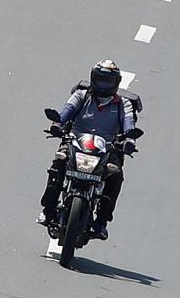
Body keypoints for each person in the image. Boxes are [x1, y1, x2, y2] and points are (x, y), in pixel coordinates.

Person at [37, 59, 135, 241]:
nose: (104, 85)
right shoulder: (81, 95)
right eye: (100, 79)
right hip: (74, 142)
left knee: (115, 175)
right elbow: (67, 110)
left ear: (116, 83)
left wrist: (129, 140)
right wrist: (57, 124)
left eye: (108, 81)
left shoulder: (123, 104)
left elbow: (129, 123)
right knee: (58, 164)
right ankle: (48, 211)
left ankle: (101, 222)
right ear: (93, 78)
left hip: (106, 149)